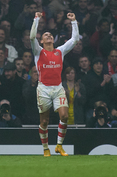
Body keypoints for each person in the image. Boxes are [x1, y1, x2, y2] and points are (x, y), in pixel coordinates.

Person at [30, 11, 79, 157]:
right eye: (46, 35)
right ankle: (46, 148)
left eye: (50, 35)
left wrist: (74, 21)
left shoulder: (60, 51)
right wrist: (36, 20)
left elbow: (75, 39)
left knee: (64, 117)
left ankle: (59, 146)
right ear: (42, 41)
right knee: (44, 121)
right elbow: (32, 36)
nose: (49, 36)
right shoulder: (38, 52)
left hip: (58, 88)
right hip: (43, 89)